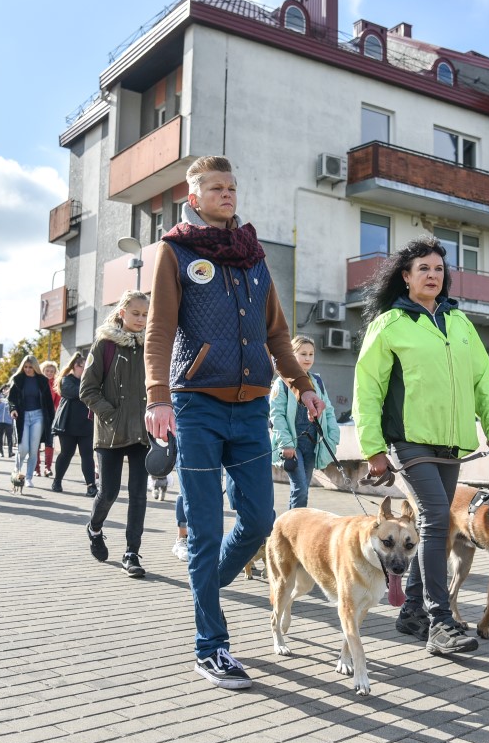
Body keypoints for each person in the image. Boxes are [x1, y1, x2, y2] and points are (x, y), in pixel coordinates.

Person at [144, 155, 324, 689]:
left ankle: (205, 587)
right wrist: (157, 397)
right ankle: (211, 646)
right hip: (195, 406)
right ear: (194, 198)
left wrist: (303, 385)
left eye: (232, 187)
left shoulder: (253, 255)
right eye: (216, 188)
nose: (227, 194)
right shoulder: (176, 251)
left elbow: (277, 333)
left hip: (249, 409)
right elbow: (159, 329)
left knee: (260, 520)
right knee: (204, 529)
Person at [352, 236, 489, 657]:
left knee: (433, 525)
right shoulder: (389, 324)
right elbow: (367, 388)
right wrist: (373, 448)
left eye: (439, 269)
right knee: (437, 516)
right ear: (406, 277)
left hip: (452, 444)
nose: (432, 275)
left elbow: (484, 380)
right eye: (423, 268)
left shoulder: (460, 323)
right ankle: (440, 622)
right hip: (408, 441)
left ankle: (411, 611)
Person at [80, 290, 150, 577]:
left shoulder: (152, 345)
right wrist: (112, 415)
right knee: (108, 491)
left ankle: (132, 552)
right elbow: (87, 390)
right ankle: (94, 528)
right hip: (110, 431)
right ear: (122, 312)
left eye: (145, 314)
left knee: (139, 494)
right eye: (135, 313)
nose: (141, 319)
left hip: (143, 433)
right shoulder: (105, 344)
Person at [270, 335, 341, 509]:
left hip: (312, 444)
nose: (308, 358)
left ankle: (297, 522)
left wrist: (333, 436)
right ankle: (294, 525)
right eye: (303, 354)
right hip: (292, 445)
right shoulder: (281, 383)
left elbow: (328, 410)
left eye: (311, 354)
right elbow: (276, 416)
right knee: (300, 488)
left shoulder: (317, 382)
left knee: (304, 489)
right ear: (292, 355)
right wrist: (286, 444)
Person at [49, 352, 97, 496]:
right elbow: (77, 393)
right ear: (76, 366)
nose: (86, 369)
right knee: (66, 454)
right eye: (84, 367)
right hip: (68, 425)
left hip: (86, 424)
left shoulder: (89, 381)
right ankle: (57, 481)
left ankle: (91, 486)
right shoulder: (66, 380)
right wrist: (90, 390)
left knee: (87, 455)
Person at [7, 355, 55, 488]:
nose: (27, 369)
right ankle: (16, 472)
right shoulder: (17, 380)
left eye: (30, 367)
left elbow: (49, 403)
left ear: (35, 367)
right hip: (22, 417)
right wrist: (13, 409)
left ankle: (28, 478)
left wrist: (52, 421)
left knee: (34, 449)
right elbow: (11, 399)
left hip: (38, 417)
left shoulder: (43, 381)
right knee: (23, 448)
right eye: (25, 367)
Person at [35, 362, 61, 476]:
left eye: (52, 371)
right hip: (36, 416)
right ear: (42, 371)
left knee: (49, 442)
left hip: (50, 418)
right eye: (47, 371)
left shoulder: (56, 384)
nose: (49, 373)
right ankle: (36, 468)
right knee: (35, 443)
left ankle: (47, 468)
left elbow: (58, 403)